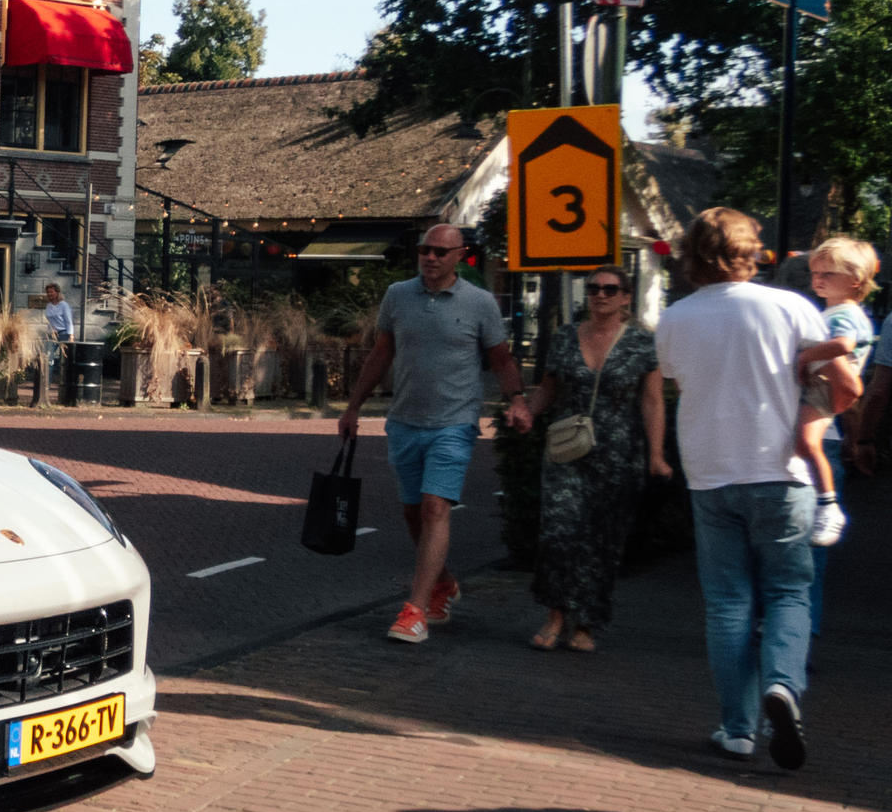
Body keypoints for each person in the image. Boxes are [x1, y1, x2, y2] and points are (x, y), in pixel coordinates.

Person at [656, 207, 857, 769]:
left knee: (727, 604)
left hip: (710, 472)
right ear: (752, 250)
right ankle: (784, 688)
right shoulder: (792, 307)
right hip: (783, 470)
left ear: (692, 253)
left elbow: (675, 378)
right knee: (789, 592)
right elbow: (841, 383)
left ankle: (738, 729)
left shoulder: (676, 318)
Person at [338, 224, 532, 643]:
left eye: (441, 252)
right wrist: (353, 407)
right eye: (425, 250)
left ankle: (416, 611)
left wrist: (516, 399)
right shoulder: (397, 295)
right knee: (413, 514)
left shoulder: (479, 303)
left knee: (433, 509)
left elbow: (501, 359)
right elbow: (382, 352)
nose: (430, 258)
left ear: (460, 256)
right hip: (405, 420)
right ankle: (443, 583)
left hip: (455, 422)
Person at [522, 266, 667, 651]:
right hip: (567, 450)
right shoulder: (566, 337)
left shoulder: (641, 344)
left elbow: (652, 401)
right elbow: (547, 388)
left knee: (601, 540)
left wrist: (656, 454)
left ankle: (586, 622)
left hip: (618, 454)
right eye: (593, 289)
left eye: (609, 289)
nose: (600, 295)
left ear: (625, 297)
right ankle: (555, 615)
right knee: (558, 532)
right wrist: (526, 413)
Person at [790, 237, 876, 548]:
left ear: (855, 281)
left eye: (828, 274)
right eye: (815, 273)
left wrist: (804, 357)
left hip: (824, 387)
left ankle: (828, 505)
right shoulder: (834, 311)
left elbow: (843, 346)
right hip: (822, 384)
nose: (818, 280)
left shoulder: (845, 314)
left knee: (806, 441)